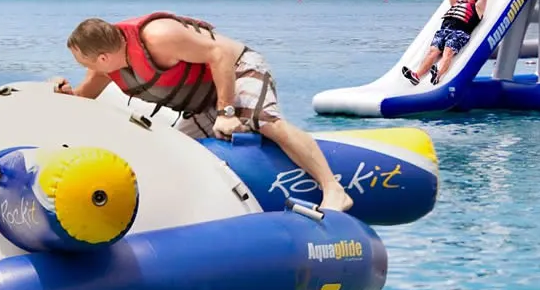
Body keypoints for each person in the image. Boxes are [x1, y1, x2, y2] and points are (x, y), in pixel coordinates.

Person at [57, 13, 354, 212]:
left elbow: (219, 54)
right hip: (203, 100)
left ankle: (333, 189)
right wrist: (60, 91)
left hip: (237, 69)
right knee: (167, 150)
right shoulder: (107, 68)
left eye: (86, 62)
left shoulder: (159, 36)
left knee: (264, 122)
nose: (86, 69)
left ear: (104, 57)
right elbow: (82, 99)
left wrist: (227, 111)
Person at [402, 0, 490, 86]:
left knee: (448, 52)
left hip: (459, 33)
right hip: (443, 31)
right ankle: (416, 76)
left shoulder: (477, 8)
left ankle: (438, 75)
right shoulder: (455, 4)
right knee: (432, 52)